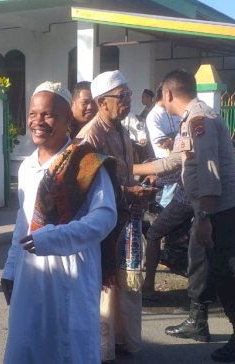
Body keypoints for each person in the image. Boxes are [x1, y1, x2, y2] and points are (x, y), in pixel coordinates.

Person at [1, 81, 118, 363]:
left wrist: (53, 238)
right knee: (27, 344)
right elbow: (24, 218)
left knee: (69, 348)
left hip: (71, 272)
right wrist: (11, 266)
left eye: (48, 115)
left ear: (68, 120)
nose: (38, 122)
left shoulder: (85, 162)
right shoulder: (27, 165)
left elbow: (105, 217)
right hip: (30, 273)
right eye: (33, 114)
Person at [158, 70, 235, 362]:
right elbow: (176, 161)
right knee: (200, 264)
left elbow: (209, 170)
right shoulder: (191, 119)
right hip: (216, 208)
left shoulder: (199, 119)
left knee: (228, 273)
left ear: (167, 94)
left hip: (221, 209)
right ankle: (198, 322)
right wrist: (135, 170)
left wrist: (203, 217)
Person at [77, 70, 156, 362]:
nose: (127, 102)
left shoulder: (122, 129)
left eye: (129, 95)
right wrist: (126, 193)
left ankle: (122, 341)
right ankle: (102, 350)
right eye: (121, 97)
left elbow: (125, 172)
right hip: (104, 224)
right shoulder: (89, 136)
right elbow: (84, 189)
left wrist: (138, 189)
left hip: (125, 218)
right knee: (107, 286)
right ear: (102, 102)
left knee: (125, 285)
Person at [140, 84, 194, 301]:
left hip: (189, 193)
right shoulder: (202, 115)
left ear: (168, 94)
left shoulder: (189, 121)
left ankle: (148, 286)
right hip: (198, 190)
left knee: (153, 233)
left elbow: (173, 164)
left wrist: (132, 168)